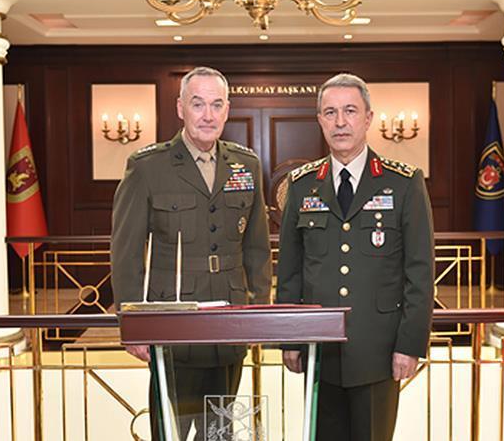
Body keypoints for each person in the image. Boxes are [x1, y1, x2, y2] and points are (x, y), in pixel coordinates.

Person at [110, 66, 272, 439]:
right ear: (180, 108)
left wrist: (258, 312)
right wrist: (131, 323)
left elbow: (257, 248)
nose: (207, 115)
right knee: (171, 431)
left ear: (227, 110)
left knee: (220, 431)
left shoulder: (245, 164)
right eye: (198, 104)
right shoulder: (148, 166)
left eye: (216, 105)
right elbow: (126, 251)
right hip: (173, 322)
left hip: (229, 323)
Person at [277, 73, 434, 441]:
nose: (340, 122)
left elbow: (419, 272)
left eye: (350, 111)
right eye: (330, 113)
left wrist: (410, 344)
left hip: (378, 351)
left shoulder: (403, 182)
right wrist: (290, 339)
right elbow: (290, 271)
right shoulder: (301, 185)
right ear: (320, 120)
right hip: (319, 351)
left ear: (368, 118)